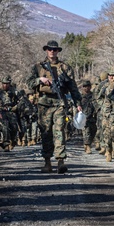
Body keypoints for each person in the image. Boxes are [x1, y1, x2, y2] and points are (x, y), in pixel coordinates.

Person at [26, 40, 82, 174]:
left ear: (58, 51)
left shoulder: (65, 67)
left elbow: (73, 87)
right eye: (50, 49)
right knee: (46, 133)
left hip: (59, 103)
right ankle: (47, 163)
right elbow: (29, 83)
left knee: (59, 131)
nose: (52, 51)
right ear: (46, 50)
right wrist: (40, 80)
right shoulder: (38, 67)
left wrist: (78, 103)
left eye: (55, 49)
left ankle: (60, 161)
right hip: (43, 103)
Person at [78, 80, 97, 153]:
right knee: (86, 131)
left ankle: (87, 144)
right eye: (85, 86)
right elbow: (77, 106)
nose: (86, 88)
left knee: (93, 131)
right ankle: (88, 146)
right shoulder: (80, 96)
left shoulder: (93, 95)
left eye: (88, 86)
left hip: (92, 116)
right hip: (84, 116)